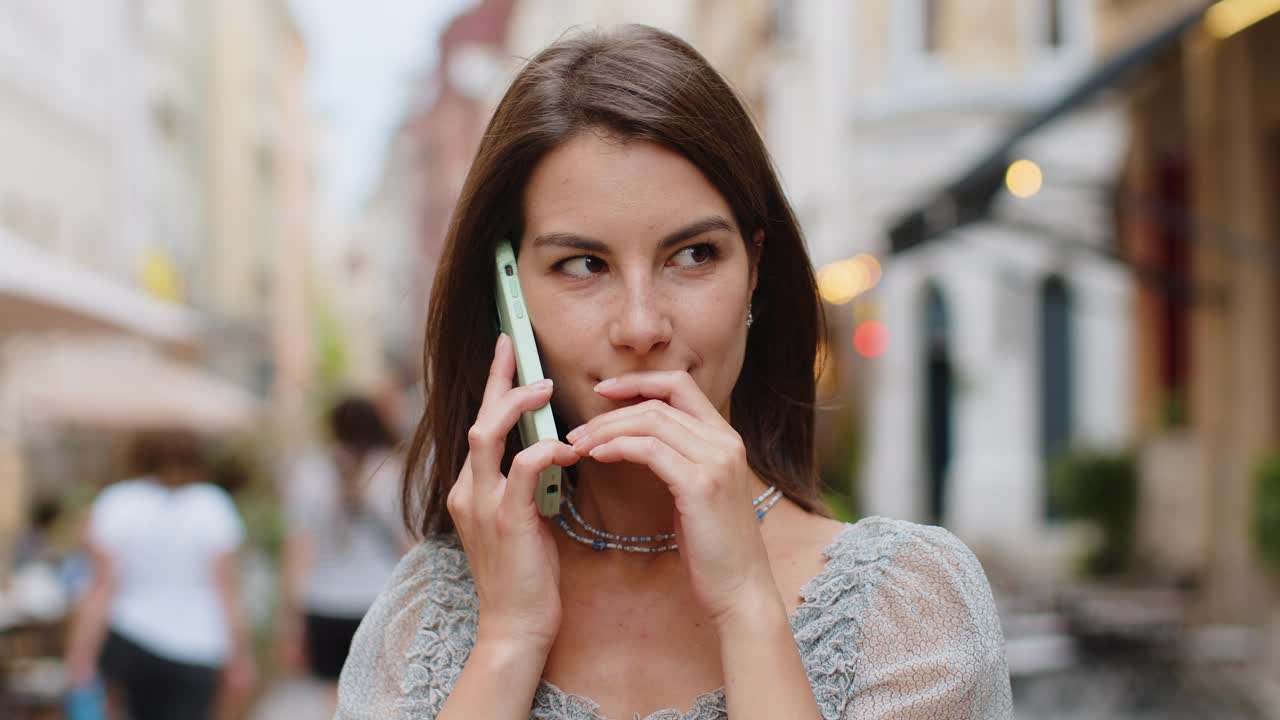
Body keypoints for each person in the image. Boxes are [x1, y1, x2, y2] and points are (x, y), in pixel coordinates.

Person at [336, 24, 1013, 720]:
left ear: (755, 270)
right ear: (509, 298)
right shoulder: (427, 613)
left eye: (692, 255)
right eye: (583, 265)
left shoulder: (909, 606)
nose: (641, 327)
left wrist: (748, 605)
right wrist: (508, 641)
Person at [64, 429, 255, 720]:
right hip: (198, 644)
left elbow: (101, 588)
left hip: (130, 639)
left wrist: (81, 655)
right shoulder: (212, 506)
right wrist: (240, 657)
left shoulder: (117, 502)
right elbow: (226, 591)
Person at [276, 396, 408, 707]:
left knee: (332, 698)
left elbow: (298, 550)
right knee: (381, 696)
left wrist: (291, 619)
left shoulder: (310, 474)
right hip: (381, 599)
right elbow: (410, 545)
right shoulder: (394, 472)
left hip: (323, 601)